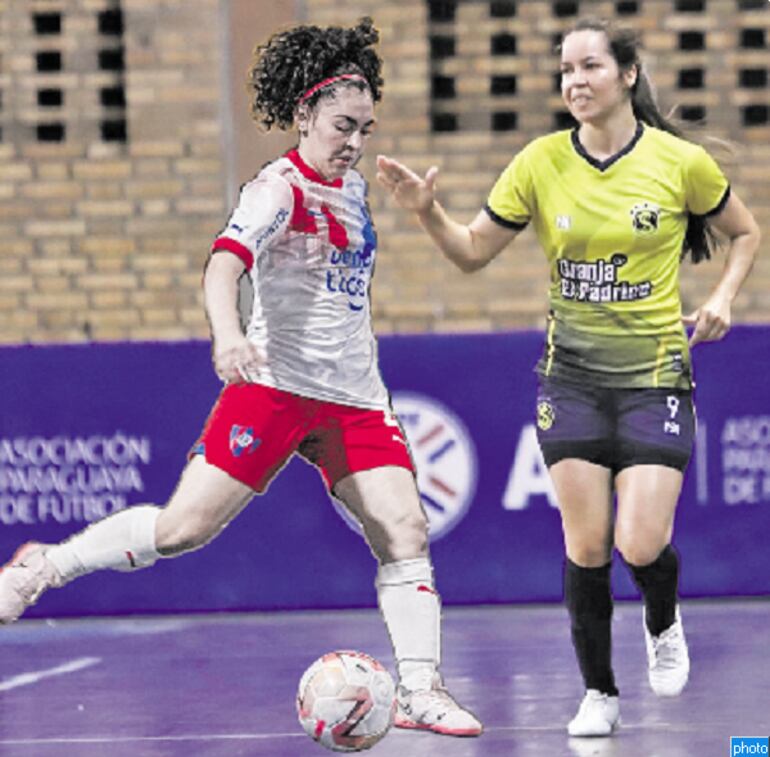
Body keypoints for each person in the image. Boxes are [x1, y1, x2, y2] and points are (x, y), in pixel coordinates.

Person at [0, 18, 482, 738]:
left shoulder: (354, 189)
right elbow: (225, 263)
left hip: (353, 397)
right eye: (343, 125)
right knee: (181, 529)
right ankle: (45, 566)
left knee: (405, 528)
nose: (354, 141)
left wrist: (423, 209)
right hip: (274, 386)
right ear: (304, 115)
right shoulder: (276, 189)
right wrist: (228, 336)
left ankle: (418, 688)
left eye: (365, 128)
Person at [377, 16, 760, 738]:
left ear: (627, 76)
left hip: (653, 375)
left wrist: (721, 297)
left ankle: (663, 619)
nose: (575, 82)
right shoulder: (540, 162)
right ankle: (600, 692)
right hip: (572, 380)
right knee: (586, 545)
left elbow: (745, 230)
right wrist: (429, 215)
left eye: (589, 67)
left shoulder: (680, 163)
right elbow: (470, 252)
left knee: (641, 543)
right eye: (565, 72)